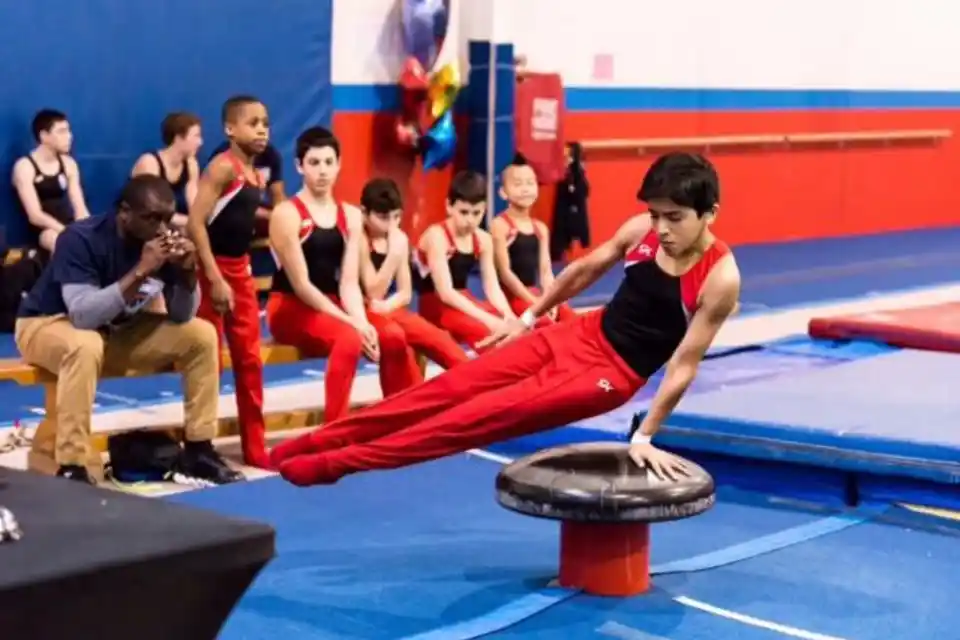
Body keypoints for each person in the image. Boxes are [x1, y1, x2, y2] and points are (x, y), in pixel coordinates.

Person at [268, 152, 741, 485]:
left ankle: (337, 464)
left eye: (675, 218)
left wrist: (644, 434)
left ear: (709, 214)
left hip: (608, 375)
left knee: (473, 419)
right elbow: (583, 270)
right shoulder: (643, 231)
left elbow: (684, 363)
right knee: (448, 388)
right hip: (578, 333)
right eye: (656, 215)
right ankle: (315, 441)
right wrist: (530, 315)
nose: (661, 228)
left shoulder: (719, 279)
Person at [15, 175, 242, 485]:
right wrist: (141, 271)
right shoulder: (81, 238)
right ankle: (73, 465)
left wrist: (188, 273)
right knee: (85, 343)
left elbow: (181, 314)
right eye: (151, 218)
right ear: (124, 212)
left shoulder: (164, 242)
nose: (162, 228)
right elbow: (81, 315)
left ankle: (199, 449)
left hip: (114, 331)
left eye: (166, 218)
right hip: (46, 324)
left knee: (201, 335)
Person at [266, 127, 422, 422]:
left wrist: (362, 322)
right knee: (349, 338)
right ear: (299, 166)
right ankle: (335, 428)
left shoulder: (350, 215)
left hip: (334, 303)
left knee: (391, 335)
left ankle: (398, 419)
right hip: (291, 307)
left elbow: (349, 282)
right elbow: (301, 286)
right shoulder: (287, 214)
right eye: (314, 163)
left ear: (339, 165)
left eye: (328, 162)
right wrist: (352, 323)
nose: (322, 171)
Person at [187, 95, 270, 469]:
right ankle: (201, 442)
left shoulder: (256, 174)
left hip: (241, 269)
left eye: (265, 123)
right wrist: (215, 277)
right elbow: (195, 223)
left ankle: (256, 447)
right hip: (213, 271)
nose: (262, 130)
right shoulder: (223, 168)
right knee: (209, 361)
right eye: (253, 123)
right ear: (229, 129)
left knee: (250, 358)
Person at [359, 177, 469, 370]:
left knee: (441, 341)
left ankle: (474, 381)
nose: (391, 225)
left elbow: (405, 293)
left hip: (388, 308)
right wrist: (393, 254)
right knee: (398, 343)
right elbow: (372, 292)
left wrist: (388, 305)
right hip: (362, 310)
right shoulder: (359, 239)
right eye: (383, 218)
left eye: (396, 217)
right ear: (364, 213)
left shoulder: (398, 237)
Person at [413, 170, 516, 353]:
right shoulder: (437, 237)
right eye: (464, 212)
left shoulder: (483, 239)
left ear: (485, 209)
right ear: (449, 206)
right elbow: (445, 293)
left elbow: (492, 287)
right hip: (437, 307)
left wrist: (507, 314)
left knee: (515, 330)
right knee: (489, 332)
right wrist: (488, 319)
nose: (470, 220)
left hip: (463, 301)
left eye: (476, 213)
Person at [491, 154, 576, 324]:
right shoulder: (500, 225)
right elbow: (506, 274)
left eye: (530, 183)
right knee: (546, 324)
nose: (525, 189)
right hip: (513, 297)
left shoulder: (540, 228)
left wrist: (550, 299)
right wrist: (535, 303)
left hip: (534, 294)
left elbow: (546, 272)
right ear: (502, 192)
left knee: (572, 321)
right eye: (518, 184)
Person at [11, 109, 92, 253]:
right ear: (44, 136)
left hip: (69, 225)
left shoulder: (69, 164)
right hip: (44, 230)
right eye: (61, 131)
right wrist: (65, 231)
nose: (69, 136)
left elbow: (79, 206)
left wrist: (86, 230)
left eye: (68, 131)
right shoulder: (25, 167)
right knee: (56, 240)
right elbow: (35, 215)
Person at [131, 112, 204, 228]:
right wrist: (190, 222)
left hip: (172, 228)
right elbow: (152, 211)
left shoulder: (191, 164)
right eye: (196, 136)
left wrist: (197, 225)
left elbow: (194, 207)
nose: (200, 142)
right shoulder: (150, 163)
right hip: (142, 227)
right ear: (178, 138)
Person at [208, 137, 285, 237]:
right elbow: (229, 204)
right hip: (228, 212)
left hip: (256, 209)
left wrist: (282, 217)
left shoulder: (271, 154)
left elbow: (278, 194)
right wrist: (269, 216)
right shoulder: (223, 157)